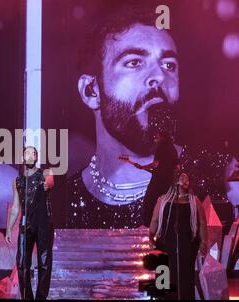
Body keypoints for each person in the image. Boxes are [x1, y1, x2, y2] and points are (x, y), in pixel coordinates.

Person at [67, 4, 238, 228]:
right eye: (134, 62)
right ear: (91, 91)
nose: (159, 75)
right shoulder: (61, 201)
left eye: (169, 65)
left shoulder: (222, 179)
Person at [5, 146, 54, 300]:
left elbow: (50, 182)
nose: (30, 155)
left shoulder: (45, 173)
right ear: (22, 158)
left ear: (36, 157)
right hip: (26, 224)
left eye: (33, 153)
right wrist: (8, 229)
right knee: (21, 263)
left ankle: (40, 299)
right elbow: (15, 207)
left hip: (43, 222)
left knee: (44, 262)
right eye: (27, 152)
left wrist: (48, 184)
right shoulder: (18, 181)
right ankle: (28, 299)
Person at [149, 172, 208, 300]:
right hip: (164, 243)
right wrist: (150, 236)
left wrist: (204, 241)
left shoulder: (194, 201)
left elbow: (202, 221)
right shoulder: (163, 200)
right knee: (164, 274)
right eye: (182, 177)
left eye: (187, 178)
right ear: (175, 181)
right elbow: (154, 220)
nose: (185, 180)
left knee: (184, 277)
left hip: (186, 244)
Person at [133, 131, 179, 227]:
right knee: (165, 203)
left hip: (158, 181)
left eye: (157, 137)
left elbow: (155, 164)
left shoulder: (160, 148)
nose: (156, 139)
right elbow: (177, 167)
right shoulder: (173, 149)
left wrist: (143, 167)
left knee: (150, 201)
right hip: (169, 181)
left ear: (162, 138)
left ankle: (148, 225)